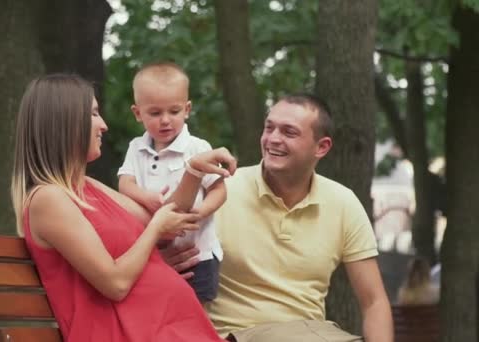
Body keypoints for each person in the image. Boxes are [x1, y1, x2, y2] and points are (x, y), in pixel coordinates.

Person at [10, 73, 236, 342]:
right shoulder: (49, 200)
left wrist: (193, 170)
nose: (103, 125)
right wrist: (154, 230)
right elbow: (115, 283)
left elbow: (168, 220)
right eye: (94, 114)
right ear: (65, 123)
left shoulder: (88, 186)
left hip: (168, 328)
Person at [163, 94, 394, 342]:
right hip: (233, 335)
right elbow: (158, 238)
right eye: (269, 127)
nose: (273, 139)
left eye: (289, 132)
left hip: (311, 334)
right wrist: (164, 260)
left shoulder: (343, 203)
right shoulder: (220, 191)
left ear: (322, 147)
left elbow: (374, 301)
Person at [118, 62, 226, 303]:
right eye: (155, 113)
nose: (165, 120)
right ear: (138, 113)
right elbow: (125, 183)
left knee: (196, 308)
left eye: (174, 111)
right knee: (160, 306)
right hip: (156, 251)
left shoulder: (198, 148)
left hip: (198, 253)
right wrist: (145, 197)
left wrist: (199, 212)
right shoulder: (136, 148)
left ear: (187, 109)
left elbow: (219, 190)